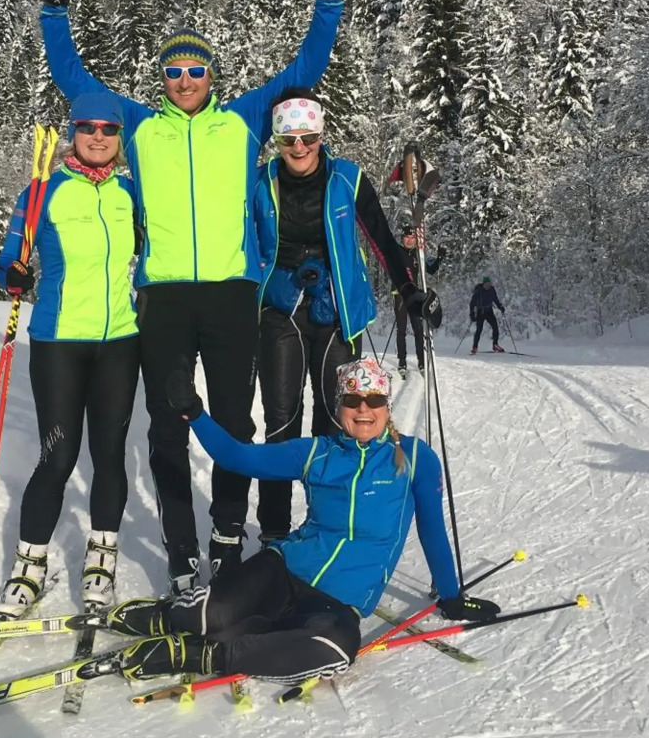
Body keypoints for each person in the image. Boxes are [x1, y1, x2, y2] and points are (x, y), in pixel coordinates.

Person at [38, 0, 347, 592]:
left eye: (195, 69)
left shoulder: (241, 121)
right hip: (166, 299)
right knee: (169, 426)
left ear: (212, 76)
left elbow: (304, 73)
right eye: (174, 71)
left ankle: (229, 542)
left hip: (233, 294)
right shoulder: (140, 126)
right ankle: (182, 556)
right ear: (162, 79)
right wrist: (54, 4)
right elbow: (74, 81)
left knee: (238, 423)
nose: (184, 80)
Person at [103, 359, 500, 684]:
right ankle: (168, 616)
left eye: (375, 398)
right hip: (281, 570)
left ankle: (211, 656)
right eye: (353, 399)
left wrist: (450, 596)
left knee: (337, 646)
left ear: (387, 406)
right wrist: (194, 412)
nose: (364, 408)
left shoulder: (414, 458)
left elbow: (432, 528)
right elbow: (238, 458)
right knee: (204, 617)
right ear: (339, 405)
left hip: (336, 602)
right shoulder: (316, 453)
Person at [0, 92, 140, 620]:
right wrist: (11, 272)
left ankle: (102, 556)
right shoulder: (41, 192)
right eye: (88, 126)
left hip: (120, 341)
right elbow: (10, 255)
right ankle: (28, 566)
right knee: (57, 458)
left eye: (109, 128)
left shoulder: (129, 193)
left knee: (109, 455)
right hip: (57, 342)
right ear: (72, 132)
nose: (98, 135)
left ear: (120, 139)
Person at [252, 89, 424, 544]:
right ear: (277, 140)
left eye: (308, 136)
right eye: (289, 139)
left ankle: (325, 526)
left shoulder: (348, 178)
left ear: (320, 133)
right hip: (280, 310)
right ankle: (273, 533)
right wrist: (273, 282)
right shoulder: (260, 182)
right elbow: (242, 252)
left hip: (338, 312)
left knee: (336, 423)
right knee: (281, 423)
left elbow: (381, 239)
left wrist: (409, 289)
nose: (300, 148)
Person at [393, 226, 444, 378]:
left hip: (415, 295)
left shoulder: (419, 254)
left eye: (412, 238)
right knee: (401, 329)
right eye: (407, 238)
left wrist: (439, 258)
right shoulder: (396, 252)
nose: (409, 241)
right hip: (400, 294)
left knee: (417, 329)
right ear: (402, 239)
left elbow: (431, 269)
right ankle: (402, 361)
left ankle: (421, 361)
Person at [469, 276, 506, 354]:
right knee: (479, 329)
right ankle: (475, 347)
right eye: (486, 284)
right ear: (483, 284)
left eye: (489, 284)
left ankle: (495, 345)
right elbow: (472, 303)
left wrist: (500, 307)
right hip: (480, 311)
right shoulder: (479, 291)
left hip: (489, 311)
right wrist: (472, 313)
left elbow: (495, 300)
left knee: (495, 327)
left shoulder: (492, 290)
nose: (487, 286)